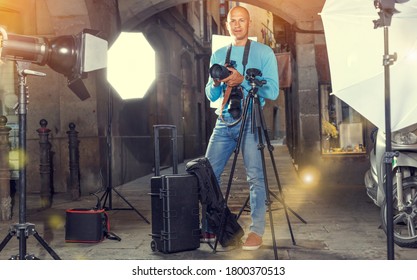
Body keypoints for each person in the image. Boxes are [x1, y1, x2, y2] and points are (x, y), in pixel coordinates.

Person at [204, 6, 279, 251]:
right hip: (224, 120)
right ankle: (212, 224)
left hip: (250, 119)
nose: (237, 25)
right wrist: (217, 81)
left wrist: (242, 80)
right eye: (232, 21)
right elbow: (209, 94)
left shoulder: (263, 52)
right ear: (227, 25)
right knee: (206, 175)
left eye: (241, 20)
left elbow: (273, 91)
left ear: (249, 23)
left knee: (255, 176)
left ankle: (256, 231)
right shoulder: (218, 53)